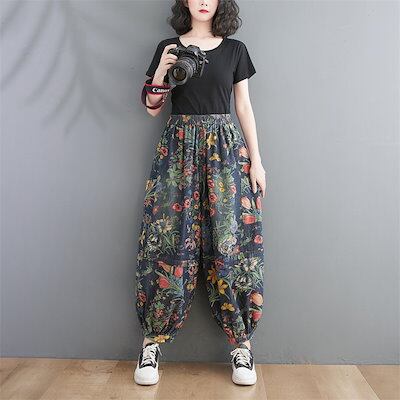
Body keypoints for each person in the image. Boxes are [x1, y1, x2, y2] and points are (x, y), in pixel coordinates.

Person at [134, 0, 267, 387]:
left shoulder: (235, 50)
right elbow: (151, 108)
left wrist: (257, 161)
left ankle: (242, 344)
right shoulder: (168, 47)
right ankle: (151, 342)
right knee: (167, 241)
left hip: (224, 150)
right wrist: (163, 68)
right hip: (177, 149)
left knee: (229, 242)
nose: (204, 1)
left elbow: (244, 106)